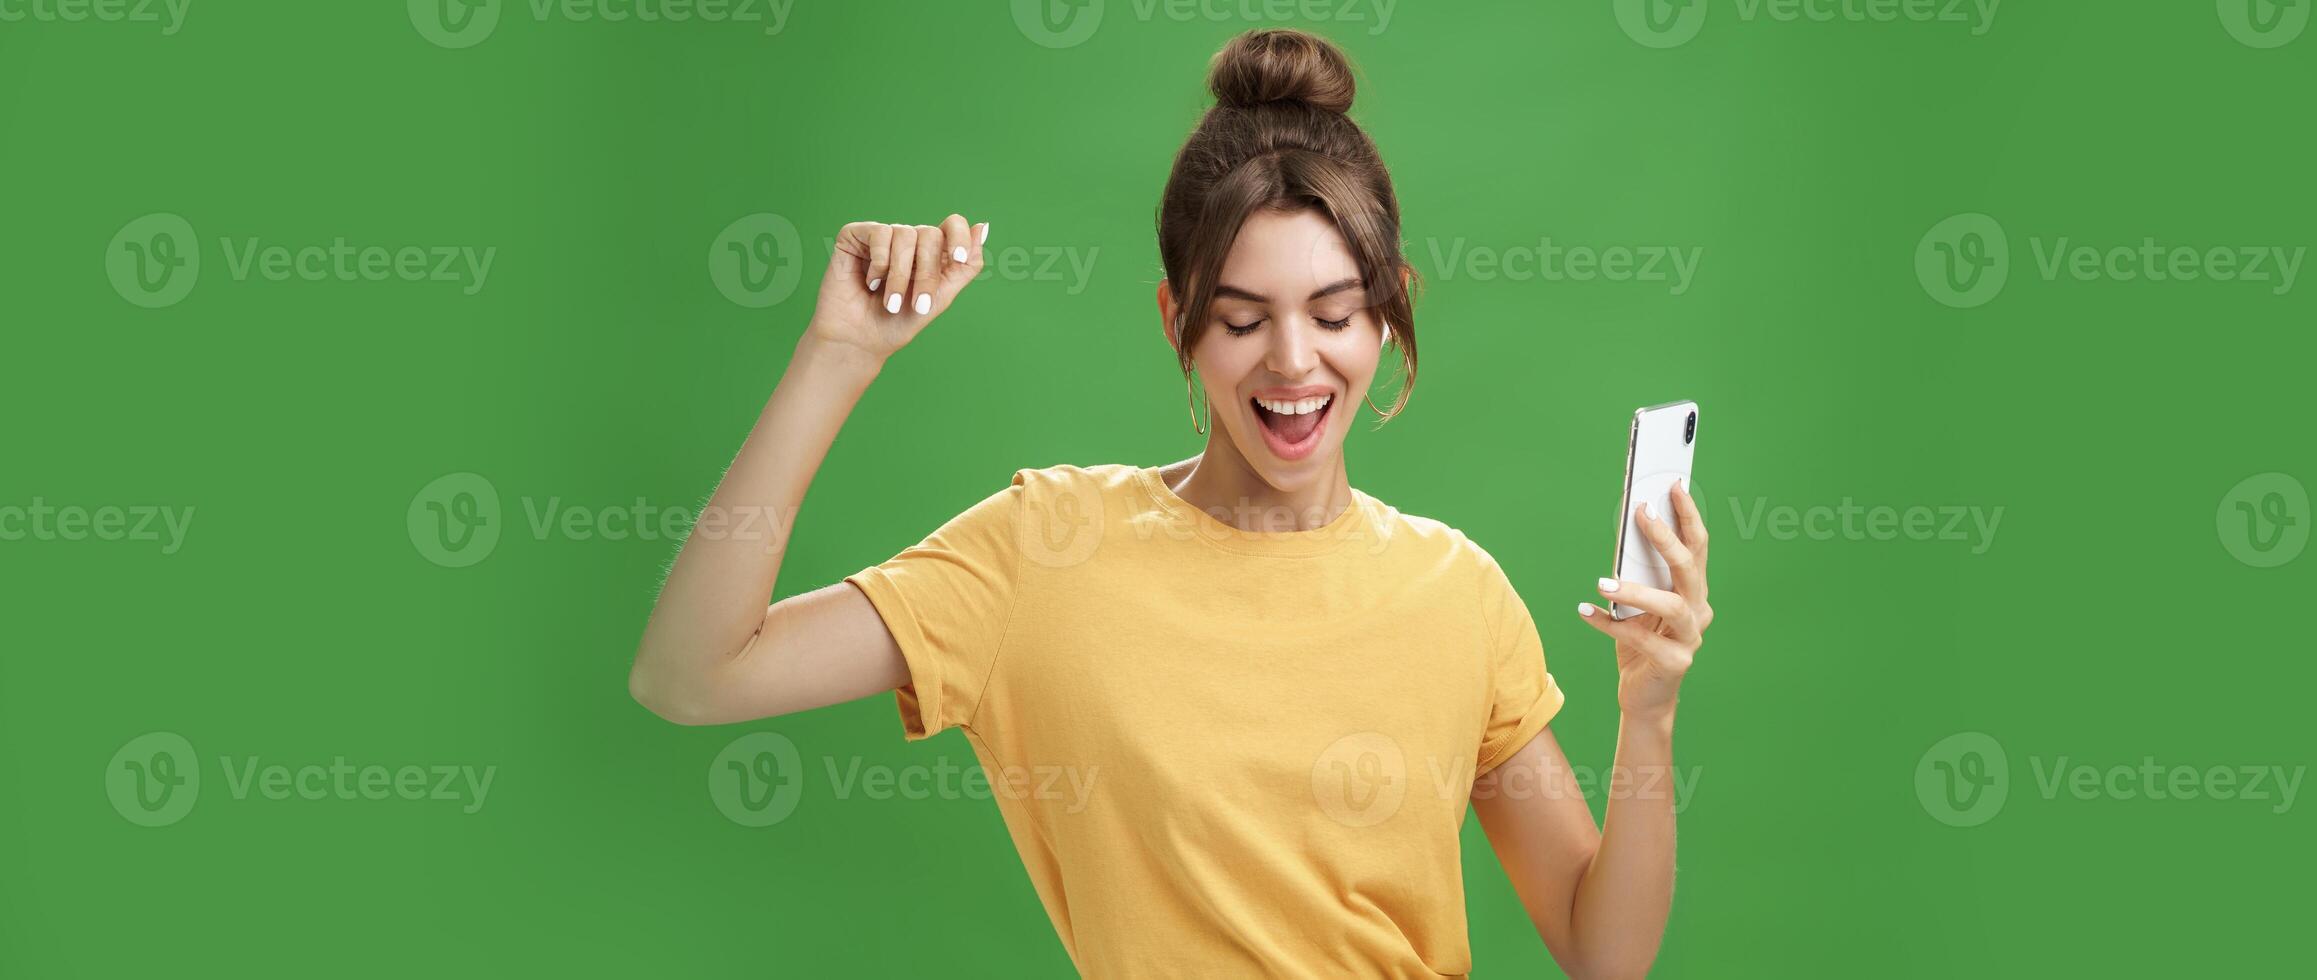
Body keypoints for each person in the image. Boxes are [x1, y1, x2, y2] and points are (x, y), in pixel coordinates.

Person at [630, 28, 1714, 979]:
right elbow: (691, 672)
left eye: (1334, 311)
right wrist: (837, 356)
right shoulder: (1043, 550)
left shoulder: (1457, 589)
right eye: (1242, 319)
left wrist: (1648, 709)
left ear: (1388, 315)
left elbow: (1601, 948)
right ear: (1176, 320)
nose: (1293, 361)